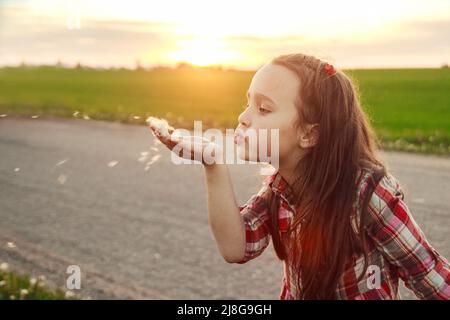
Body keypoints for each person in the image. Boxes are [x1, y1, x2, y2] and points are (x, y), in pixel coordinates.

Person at [150, 53, 450, 300]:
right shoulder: (279, 188)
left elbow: (428, 276)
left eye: (264, 108)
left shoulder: (367, 193)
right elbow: (236, 247)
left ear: (309, 134)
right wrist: (212, 163)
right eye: (248, 102)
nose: (243, 117)